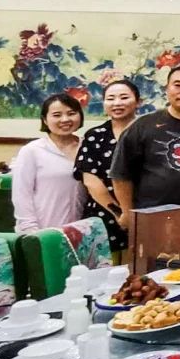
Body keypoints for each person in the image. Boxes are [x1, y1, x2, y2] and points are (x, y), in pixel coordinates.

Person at [110, 66, 180, 252]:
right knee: (157, 268)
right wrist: (127, 212)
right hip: (154, 216)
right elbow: (121, 174)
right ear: (167, 89)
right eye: (178, 85)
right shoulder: (142, 126)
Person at [75, 80, 140, 254]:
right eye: (110, 98)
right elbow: (91, 181)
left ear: (138, 102)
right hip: (104, 213)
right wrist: (121, 214)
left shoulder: (149, 132)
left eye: (124, 97)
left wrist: (133, 215)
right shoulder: (95, 136)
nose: (117, 103)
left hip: (144, 214)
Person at [13, 93, 86, 232]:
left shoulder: (89, 147)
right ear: (45, 120)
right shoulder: (32, 151)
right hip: (43, 230)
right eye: (57, 115)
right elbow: (21, 194)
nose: (65, 119)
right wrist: (31, 230)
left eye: (71, 113)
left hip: (82, 230)